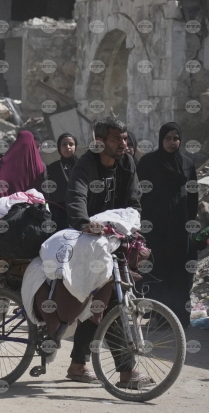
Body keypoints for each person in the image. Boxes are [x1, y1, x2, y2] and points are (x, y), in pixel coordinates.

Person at [65, 117, 146, 387]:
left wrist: (131, 226)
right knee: (109, 301)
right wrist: (84, 223)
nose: (123, 144)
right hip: (85, 239)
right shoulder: (86, 164)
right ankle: (127, 373)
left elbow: (134, 201)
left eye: (124, 138)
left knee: (101, 302)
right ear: (100, 142)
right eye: (116, 139)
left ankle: (78, 364)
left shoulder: (127, 163)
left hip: (115, 239)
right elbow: (76, 196)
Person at [137, 122, 199, 325]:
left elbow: (192, 197)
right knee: (158, 272)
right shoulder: (148, 162)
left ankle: (181, 318)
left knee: (180, 273)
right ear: (161, 139)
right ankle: (161, 318)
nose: (172, 142)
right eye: (168, 138)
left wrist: (190, 226)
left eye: (176, 138)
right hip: (155, 231)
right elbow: (138, 195)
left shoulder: (187, 163)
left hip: (180, 230)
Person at [0, 130, 46, 196]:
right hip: (30, 201)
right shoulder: (39, 165)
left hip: (9, 201)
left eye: (38, 147)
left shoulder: (5, 161)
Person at [44, 133, 78, 231]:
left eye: (71, 144)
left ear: (75, 146)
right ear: (59, 147)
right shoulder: (52, 168)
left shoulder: (83, 165)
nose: (68, 147)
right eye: (64, 144)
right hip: (60, 214)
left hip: (82, 210)